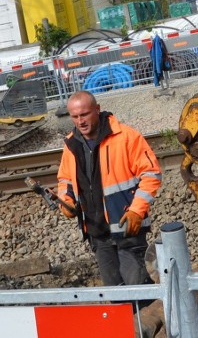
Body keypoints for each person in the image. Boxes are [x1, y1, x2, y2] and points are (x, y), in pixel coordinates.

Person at [57, 90, 162, 286]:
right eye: (75, 117)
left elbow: (151, 174)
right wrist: (67, 200)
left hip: (127, 230)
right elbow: (65, 180)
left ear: (97, 109)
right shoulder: (71, 145)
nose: (80, 121)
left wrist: (137, 212)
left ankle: (143, 317)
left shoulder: (126, 137)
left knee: (139, 294)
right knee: (117, 299)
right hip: (97, 233)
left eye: (85, 114)